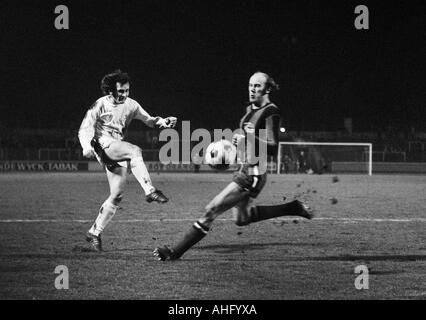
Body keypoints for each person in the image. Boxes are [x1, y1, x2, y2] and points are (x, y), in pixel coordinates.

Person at [153, 71, 314, 261]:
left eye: (257, 86)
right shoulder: (249, 111)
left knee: (210, 210)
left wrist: (248, 138)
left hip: (253, 174)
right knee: (241, 219)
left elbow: (272, 147)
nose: (252, 89)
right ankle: (292, 207)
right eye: (250, 85)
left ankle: (174, 252)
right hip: (245, 169)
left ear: (268, 89)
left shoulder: (271, 111)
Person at [78, 69, 177, 251]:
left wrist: (163, 122)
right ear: (111, 91)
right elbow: (85, 128)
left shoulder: (131, 105)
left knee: (117, 196)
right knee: (134, 150)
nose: (124, 94)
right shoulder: (100, 105)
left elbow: (149, 120)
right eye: (121, 91)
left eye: (127, 90)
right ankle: (150, 190)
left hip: (116, 147)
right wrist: (86, 147)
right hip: (103, 144)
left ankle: (94, 232)